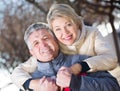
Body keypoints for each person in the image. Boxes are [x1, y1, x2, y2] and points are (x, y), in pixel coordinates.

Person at [11, 22, 120, 91]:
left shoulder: (81, 60)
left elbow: (114, 87)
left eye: (46, 38)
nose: (43, 45)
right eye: (36, 43)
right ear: (32, 52)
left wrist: (76, 82)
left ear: (56, 40)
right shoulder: (33, 82)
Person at [46, 3, 120, 85]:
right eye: (58, 29)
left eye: (68, 25)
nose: (65, 32)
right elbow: (31, 68)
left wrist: (80, 67)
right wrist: (31, 83)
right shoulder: (55, 46)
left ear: (77, 23)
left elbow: (110, 58)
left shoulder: (93, 33)